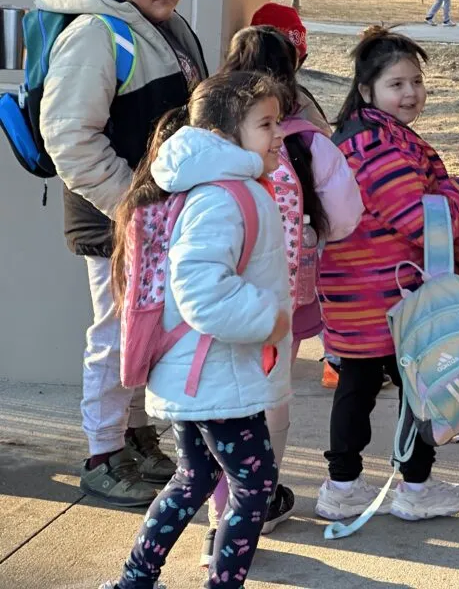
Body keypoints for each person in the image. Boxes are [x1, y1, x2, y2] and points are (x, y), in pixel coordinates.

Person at [38, 0, 208, 508]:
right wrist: (131, 207)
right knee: (114, 335)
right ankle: (102, 455)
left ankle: (136, 439)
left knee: (147, 331)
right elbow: (69, 139)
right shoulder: (95, 35)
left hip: (157, 218)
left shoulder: (169, 26)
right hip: (114, 218)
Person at [100, 71, 292, 589]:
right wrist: (267, 317)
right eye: (266, 124)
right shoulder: (222, 197)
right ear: (226, 134)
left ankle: (135, 582)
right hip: (214, 377)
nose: (279, 134)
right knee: (254, 486)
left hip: (203, 372)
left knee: (195, 479)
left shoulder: (225, 187)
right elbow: (201, 290)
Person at [196, 26, 363, 566]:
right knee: (269, 400)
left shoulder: (203, 143)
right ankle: (258, 501)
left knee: (219, 405)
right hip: (283, 302)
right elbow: (344, 215)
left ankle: (219, 516)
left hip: (211, 305)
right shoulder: (305, 139)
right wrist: (314, 239)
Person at [316, 27, 459, 522]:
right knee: (422, 386)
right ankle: (415, 489)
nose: (410, 93)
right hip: (390, 292)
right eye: (397, 84)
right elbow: (422, 220)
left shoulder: (362, 133)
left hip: (357, 288)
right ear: (368, 89)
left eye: (416, 81)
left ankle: (342, 486)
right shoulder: (376, 143)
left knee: (357, 384)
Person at [249, 2, 332, 135]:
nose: (288, 70)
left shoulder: (301, 103)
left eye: (298, 61)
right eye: (281, 60)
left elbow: (329, 149)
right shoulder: (229, 100)